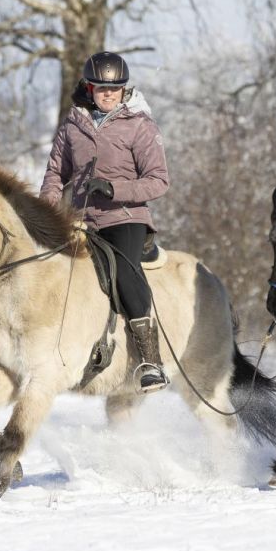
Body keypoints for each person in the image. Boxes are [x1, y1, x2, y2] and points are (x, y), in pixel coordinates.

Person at [40, 51, 170, 393]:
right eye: (101, 88)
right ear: (90, 88)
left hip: (125, 217)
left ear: (123, 89)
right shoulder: (73, 125)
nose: (108, 94)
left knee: (124, 270)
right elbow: (55, 174)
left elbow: (159, 181)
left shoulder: (140, 124)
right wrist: (45, 212)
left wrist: (115, 189)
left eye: (114, 88)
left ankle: (151, 361)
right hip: (81, 219)